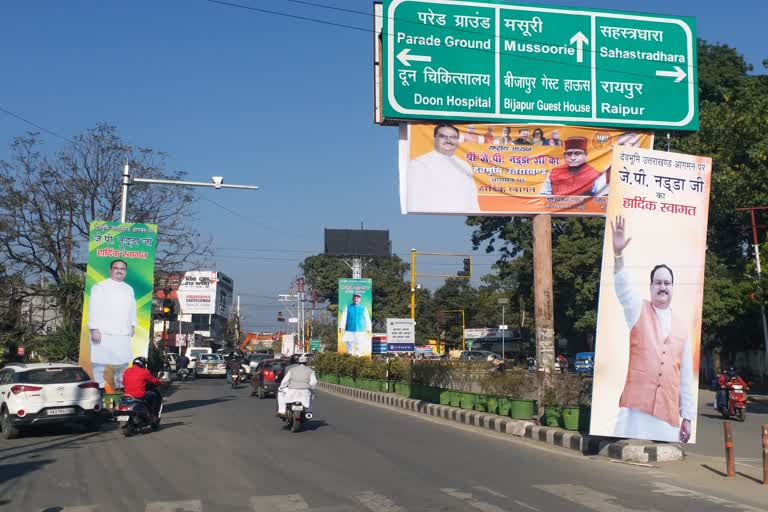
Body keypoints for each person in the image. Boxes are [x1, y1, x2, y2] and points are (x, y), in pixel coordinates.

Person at [610, 216, 695, 443]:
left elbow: (685, 375)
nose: (663, 287)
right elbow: (622, 288)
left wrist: (687, 417)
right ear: (650, 287)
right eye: (658, 282)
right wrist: (618, 255)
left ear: (673, 288)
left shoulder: (682, 326)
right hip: (634, 413)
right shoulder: (637, 309)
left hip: (666, 417)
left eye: (667, 283)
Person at [87, 259, 137, 389]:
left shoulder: (129, 289)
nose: (119, 271)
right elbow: (93, 308)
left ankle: (120, 387)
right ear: (111, 270)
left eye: (122, 269)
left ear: (125, 272)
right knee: (99, 362)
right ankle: (100, 387)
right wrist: (94, 329)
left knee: (122, 363)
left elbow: (132, 309)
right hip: (103, 332)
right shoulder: (100, 287)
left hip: (122, 333)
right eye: (116, 268)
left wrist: (132, 325)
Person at [407, 124, 479, 213]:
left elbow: (472, 198)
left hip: (461, 218)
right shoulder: (419, 163)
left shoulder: (464, 165)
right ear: (434, 138)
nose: (449, 140)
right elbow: (412, 198)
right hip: (428, 217)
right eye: (443, 136)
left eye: (453, 137)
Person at [540, 137, 607, 197]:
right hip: (556, 209)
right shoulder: (554, 173)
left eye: (577, 154)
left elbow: (601, 200)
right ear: (564, 156)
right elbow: (543, 196)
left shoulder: (594, 175)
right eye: (569, 154)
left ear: (585, 155)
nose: (572, 158)